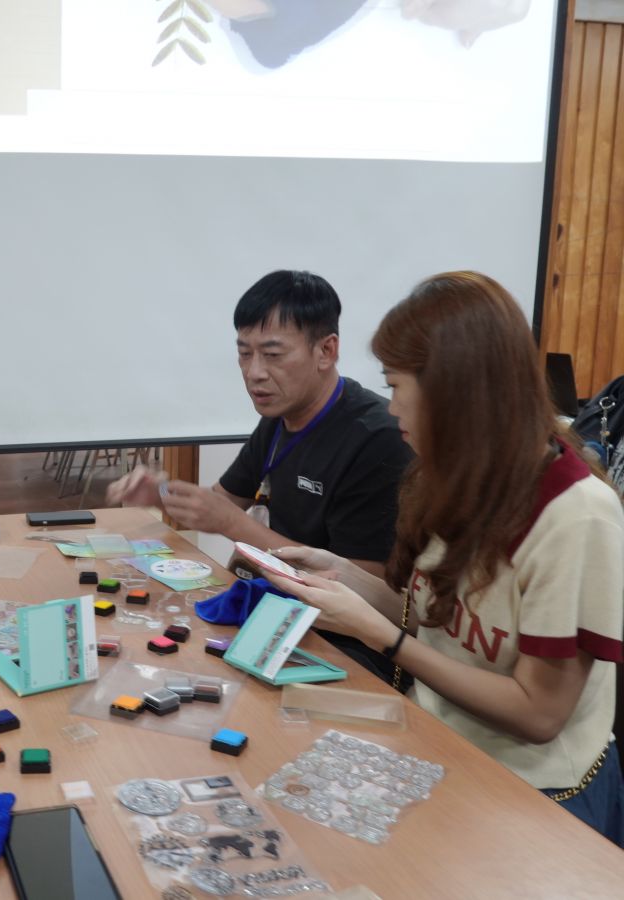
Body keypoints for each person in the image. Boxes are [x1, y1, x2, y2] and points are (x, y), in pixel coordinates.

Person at [263, 272, 624, 844]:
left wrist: (382, 636)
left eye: (396, 386)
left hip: (535, 796)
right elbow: (433, 621)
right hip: (440, 745)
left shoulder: (577, 516)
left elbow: (537, 714)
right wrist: (345, 576)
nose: (390, 407)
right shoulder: (454, 475)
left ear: (452, 390)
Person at [108, 270, 412, 679]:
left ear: (326, 351)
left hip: (346, 643)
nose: (254, 373)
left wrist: (233, 525)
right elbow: (221, 502)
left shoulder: (376, 438)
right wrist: (161, 495)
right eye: (244, 353)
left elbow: (360, 589)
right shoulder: (280, 416)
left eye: (272, 355)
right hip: (278, 614)